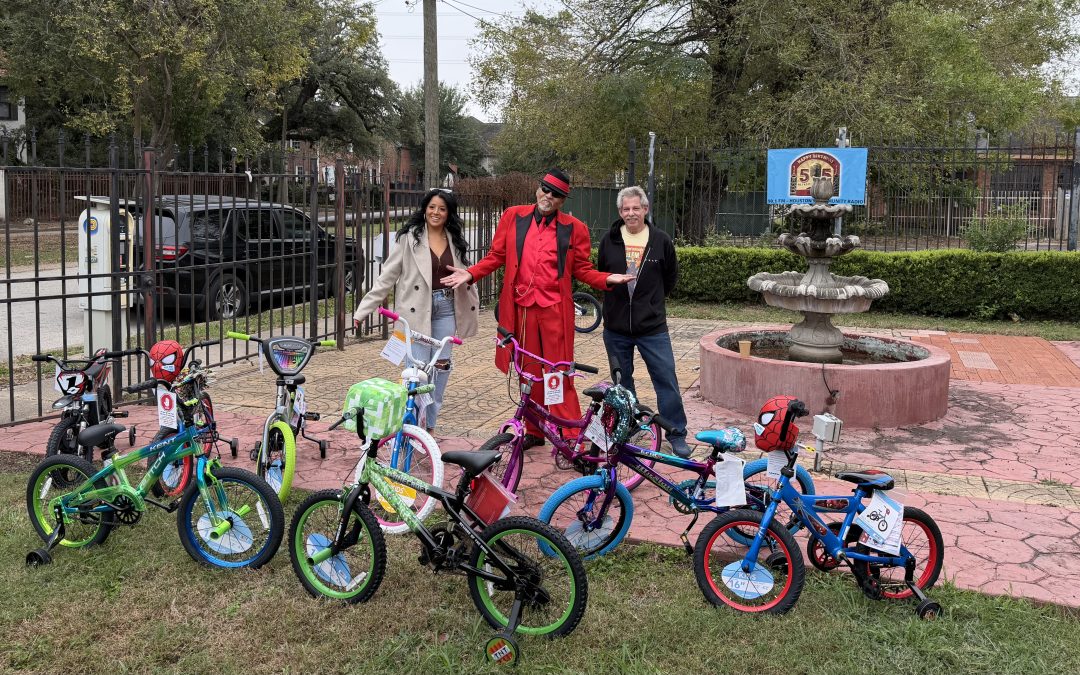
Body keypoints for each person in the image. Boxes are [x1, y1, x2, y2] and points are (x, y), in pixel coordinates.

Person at [442, 169, 634, 446]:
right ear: (538, 188)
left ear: (562, 200)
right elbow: (497, 256)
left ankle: (570, 434)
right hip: (521, 310)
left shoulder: (574, 228)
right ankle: (534, 429)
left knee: (557, 371)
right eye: (545, 189)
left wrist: (607, 279)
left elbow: (582, 269)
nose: (548, 196)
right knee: (528, 371)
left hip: (555, 310)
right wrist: (470, 274)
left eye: (556, 194)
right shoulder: (513, 216)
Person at [353, 188, 479, 433]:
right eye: (432, 207)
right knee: (417, 371)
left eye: (442, 209)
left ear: (448, 213)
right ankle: (411, 424)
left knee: (441, 367)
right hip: (416, 310)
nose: (436, 212)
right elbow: (386, 278)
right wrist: (362, 311)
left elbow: (467, 272)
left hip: (447, 307)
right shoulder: (409, 238)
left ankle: (429, 426)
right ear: (424, 209)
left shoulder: (455, 238)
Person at [596, 185, 691, 457]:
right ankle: (632, 428)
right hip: (615, 329)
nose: (631, 213)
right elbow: (602, 274)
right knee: (623, 384)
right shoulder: (609, 240)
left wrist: (650, 303)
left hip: (652, 328)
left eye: (636, 208)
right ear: (619, 212)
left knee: (666, 379)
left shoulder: (660, 240)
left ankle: (676, 432)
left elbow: (670, 277)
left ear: (645, 209)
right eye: (625, 209)